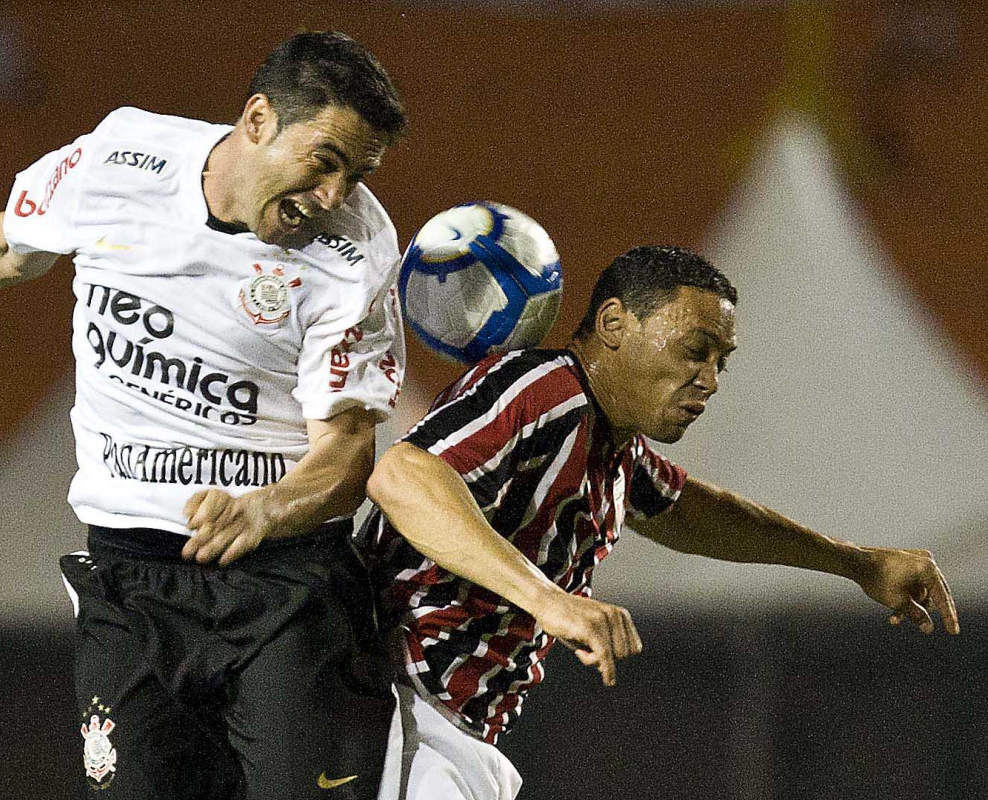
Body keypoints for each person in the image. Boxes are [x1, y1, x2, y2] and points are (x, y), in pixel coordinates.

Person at [0, 32, 408, 800]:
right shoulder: (120, 159)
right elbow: (15, 241)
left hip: (283, 589)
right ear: (258, 119)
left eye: (356, 175)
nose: (333, 196)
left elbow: (348, 450)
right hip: (130, 582)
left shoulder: (355, 254)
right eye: (325, 162)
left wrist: (268, 507)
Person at [360, 245, 959, 800]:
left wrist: (857, 563)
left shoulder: (614, 448)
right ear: (615, 323)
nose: (711, 380)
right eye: (694, 350)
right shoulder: (546, 390)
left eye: (722, 361)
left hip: (451, 728)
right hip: (391, 705)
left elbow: (701, 514)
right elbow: (401, 477)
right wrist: (549, 600)